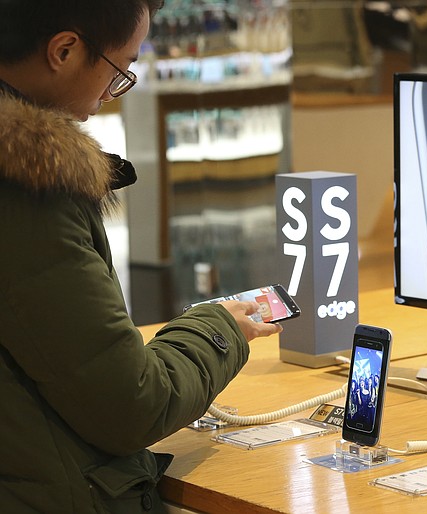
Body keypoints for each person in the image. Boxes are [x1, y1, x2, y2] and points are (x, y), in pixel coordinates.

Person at [0, 1, 282, 512]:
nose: (114, 90)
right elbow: (130, 405)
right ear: (64, 50)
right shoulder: (26, 191)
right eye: (119, 69)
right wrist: (217, 328)